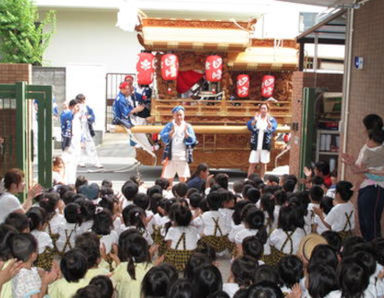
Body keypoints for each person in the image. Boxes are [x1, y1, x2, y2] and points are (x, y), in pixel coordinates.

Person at [342, 114, 384, 241]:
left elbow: (364, 171)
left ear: (369, 129)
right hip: (366, 187)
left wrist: (366, 170)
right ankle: (370, 254)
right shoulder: (365, 148)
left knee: (371, 225)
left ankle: (378, 255)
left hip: (376, 187)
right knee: (365, 224)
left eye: (364, 127)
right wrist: (351, 164)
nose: (363, 130)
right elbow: (359, 171)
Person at [10, 233, 58, 298]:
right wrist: (45, 283)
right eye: (37, 250)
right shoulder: (29, 278)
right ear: (33, 255)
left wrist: (40, 271)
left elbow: (35, 270)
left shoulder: (15, 268)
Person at [159, 105, 196, 184]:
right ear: (173, 115)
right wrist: (170, 133)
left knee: (183, 176)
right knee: (169, 176)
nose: (179, 117)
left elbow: (193, 140)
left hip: (182, 155)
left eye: (181, 115)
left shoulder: (187, 126)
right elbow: (162, 136)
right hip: (170, 155)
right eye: (177, 115)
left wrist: (187, 135)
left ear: (184, 115)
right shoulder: (169, 125)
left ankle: (182, 191)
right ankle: (169, 189)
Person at [247, 103, 277, 179]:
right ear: (260, 110)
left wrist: (270, 125)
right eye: (262, 108)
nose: (263, 110)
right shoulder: (256, 118)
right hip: (256, 143)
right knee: (252, 162)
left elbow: (273, 127)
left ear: (267, 110)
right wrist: (254, 121)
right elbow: (249, 125)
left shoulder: (271, 119)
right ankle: (249, 179)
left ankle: (262, 179)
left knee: (263, 163)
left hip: (265, 143)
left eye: (265, 108)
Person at [75, 94, 102, 168]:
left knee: (91, 146)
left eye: (83, 99)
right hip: (78, 130)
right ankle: (80, 161)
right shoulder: (75, 108)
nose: (82, 101)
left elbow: (92, 116)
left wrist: (89, 118)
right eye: (80, 100)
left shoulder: (87, 108)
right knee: (80, 147)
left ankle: (96, 162)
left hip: (86, 130)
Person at [61, 99, 82, 184]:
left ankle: (72, 181)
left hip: (76, 144)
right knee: (68, 164)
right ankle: (67, 182)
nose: (78, 108)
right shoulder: (66, 114)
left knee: (74, 164)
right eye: (77, 106)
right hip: (69, 144)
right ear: (71, 107)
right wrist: (71, 111)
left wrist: (82, 140)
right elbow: (66, 117)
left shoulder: (77, 117)